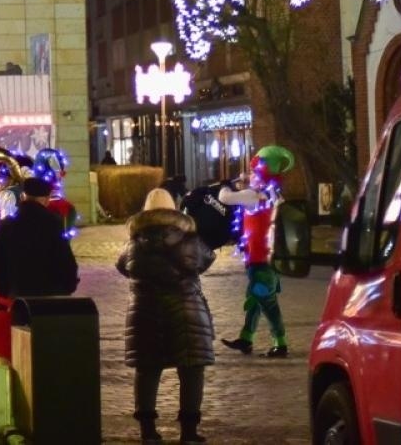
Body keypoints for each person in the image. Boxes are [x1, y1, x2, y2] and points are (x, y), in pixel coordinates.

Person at [117, 187, 215, 444]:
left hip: (145, 313)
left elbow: (121, 266)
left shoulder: (134, 243)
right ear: (174, 209)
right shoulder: (190, 239)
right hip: (186, 312)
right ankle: (189, 433)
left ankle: (148, 431)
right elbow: (206, 259)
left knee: (147, 370)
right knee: (191, 370)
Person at [219, 149, 292, 357]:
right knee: (255, 301)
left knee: (267, 304)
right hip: (267, 258)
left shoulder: (252, 196)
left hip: (259, 261)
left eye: (253, 172)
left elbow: (225, 198)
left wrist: (225, 184)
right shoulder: (274, 195)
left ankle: (280, 343)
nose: (249, 175)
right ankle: (246, 339)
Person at [0, 176, 79, 299]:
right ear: (46, 199)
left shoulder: (4, 225)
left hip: (17, 297)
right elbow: (64, 258)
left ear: (22, 196)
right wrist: (69, 286)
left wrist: (2, 299)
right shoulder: (53, 223)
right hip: (49, 295)